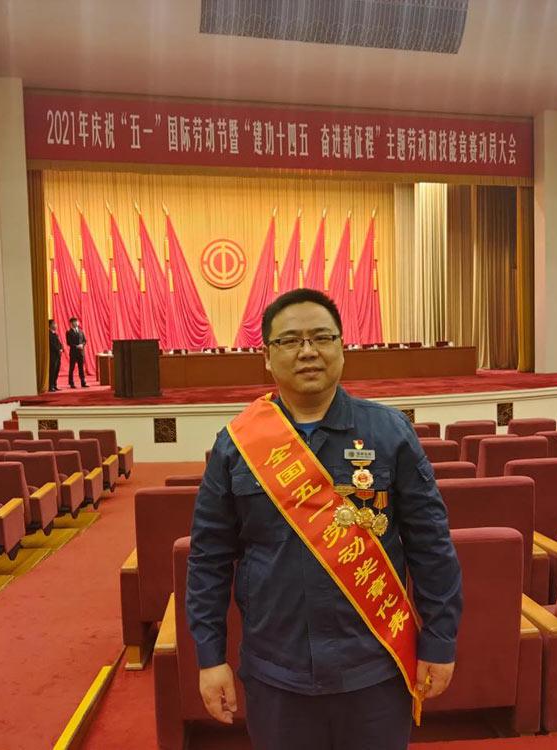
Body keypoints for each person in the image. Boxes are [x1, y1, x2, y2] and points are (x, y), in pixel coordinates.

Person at [187, 288, 462, 750]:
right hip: (277, 673)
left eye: (321, 337)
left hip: (374, 669)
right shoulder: (236, 446)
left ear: (342, 347)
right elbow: (208, 559)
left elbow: (431, 546)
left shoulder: (390, 433)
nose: (308, 351)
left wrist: (439, 641)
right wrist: (210, 657)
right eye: (290, 340)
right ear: (267, 357)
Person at [66, 317, 88, 388]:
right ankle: (71, 383)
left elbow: (84, 340)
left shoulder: (81, 331)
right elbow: (68, 343)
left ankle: (83, 382)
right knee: (71, 368)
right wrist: (76, 346)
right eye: (74, 322)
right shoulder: (69, 332)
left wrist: (82, 345)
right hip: (73, 353)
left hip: (81, 352)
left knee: (81, 368)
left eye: (76, 321)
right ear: (71, 323)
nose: (76, 323)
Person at [47, 319, 63, 392]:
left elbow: (59, 343)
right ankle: (50, 386)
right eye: (54, 324)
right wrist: (58, 349)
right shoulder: (48, 334)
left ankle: (54, 385)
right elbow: (51, 344)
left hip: (58, 355)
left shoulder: (55, 334)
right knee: (52, 371)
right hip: (52, 355)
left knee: (56, 370)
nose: (56, 325)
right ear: (50, 325)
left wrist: (61, 348)